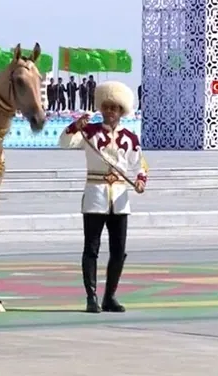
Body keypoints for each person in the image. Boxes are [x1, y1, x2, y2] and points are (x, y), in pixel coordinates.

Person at [57, 81, 148, 313]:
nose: (110, 112)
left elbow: (140, 164)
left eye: (114, 108)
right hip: (95, 196)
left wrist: (140, 180)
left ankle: (110, 297)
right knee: (92, 249)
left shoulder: (130, 137)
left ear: (121, 111)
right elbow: (64, 143)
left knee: (119, 251)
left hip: (119, 198)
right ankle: (91, 297)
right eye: (106, 107)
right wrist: (75, 126)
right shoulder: (89, 132)